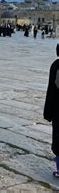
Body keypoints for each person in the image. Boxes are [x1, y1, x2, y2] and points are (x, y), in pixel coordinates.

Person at [44, 44, 59, 178]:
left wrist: (48, 111)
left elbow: (51, 91)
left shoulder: (55, 65)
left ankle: (56, 169)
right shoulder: (56, 66)